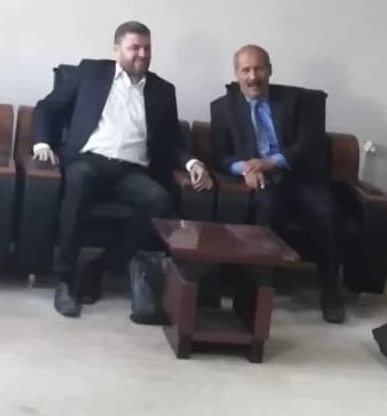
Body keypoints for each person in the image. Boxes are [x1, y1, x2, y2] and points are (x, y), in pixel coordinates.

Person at [32, 21, 212, 319]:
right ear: (116, 49)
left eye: (147, 48)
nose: (142, 54)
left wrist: (192, 162)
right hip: (88, 161)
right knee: (79, 182)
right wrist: (42, 142)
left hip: (132, 171)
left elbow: (171, 140)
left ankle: (100, 267)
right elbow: (47, 107)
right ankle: (65, 278)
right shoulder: (90, 73)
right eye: (134, 48)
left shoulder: (162, 90)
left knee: (160, 202)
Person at [209, 44, 345, 324]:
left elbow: (309, 145)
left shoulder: (299, 101)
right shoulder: (222, 108)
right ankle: (256, 290)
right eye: (246, 70)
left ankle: (331, 292)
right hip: (262, 180)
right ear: (236, 74)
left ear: (269, 70)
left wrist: (269, 162)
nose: (253, 77)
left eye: (259, 69)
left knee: (325, 213)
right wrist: (245, 168)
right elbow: (221, 156)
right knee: (266, 209)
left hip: (301, 175)